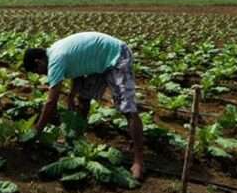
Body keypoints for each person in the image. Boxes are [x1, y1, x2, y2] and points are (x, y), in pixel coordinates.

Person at [23, 31, 145, 180]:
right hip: (98, 61)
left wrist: (37, 131)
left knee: (127, 109)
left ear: (38, 62)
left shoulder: (55, 60)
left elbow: (51, 103)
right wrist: (71, 97)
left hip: (116, 55)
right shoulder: (54, 51)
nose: (42, 75)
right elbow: (78, 70)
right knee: (83, 99)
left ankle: (138, 161)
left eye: (38, 71)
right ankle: (77, 140)